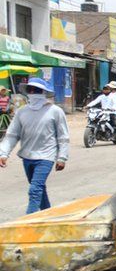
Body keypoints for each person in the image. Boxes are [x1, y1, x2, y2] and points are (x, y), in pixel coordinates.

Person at [0, 78, 69, 214]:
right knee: (39, 189)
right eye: (30, 90)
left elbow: (63, 136)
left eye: (36, 90)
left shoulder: (55, 111)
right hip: (27, 156)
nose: (33, 93)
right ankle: (49, 216)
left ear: (43, 92)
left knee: (34, 189)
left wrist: (62, 157)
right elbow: (12, 135)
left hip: (46, 156)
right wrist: (3, 153)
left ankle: (27, 221)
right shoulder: (22, 112)